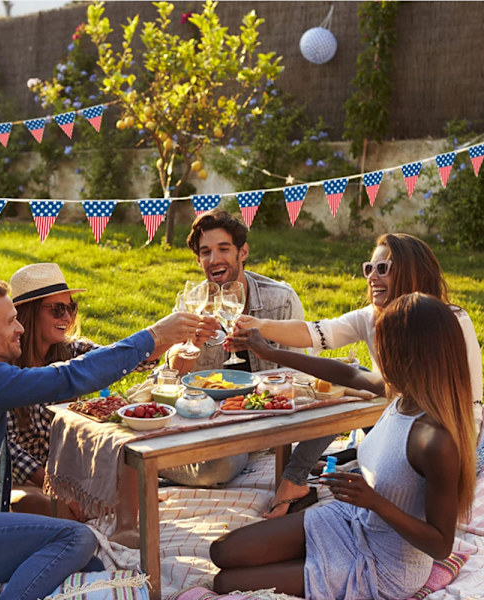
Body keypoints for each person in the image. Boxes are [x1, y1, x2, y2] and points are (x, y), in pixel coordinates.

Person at [0, 278, 201, 600]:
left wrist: (162, 344)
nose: (19, 328)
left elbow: (95, 363)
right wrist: (154, 335)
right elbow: (67, 378)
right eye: (10, 321)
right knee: (77, 539)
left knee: (90, 567)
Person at [211, 293, 476, 599]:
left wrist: (374, 501)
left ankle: (313, 569)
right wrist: (269, 351)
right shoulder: (401, 394)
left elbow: (441, 545)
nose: (377, 353)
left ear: (412, 356)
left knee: (225, 584)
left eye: (385, 346)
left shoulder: (435, 439)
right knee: (222, 552)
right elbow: (347, 373)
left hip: (386, 565)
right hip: (350, 520)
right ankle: (310, 566)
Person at [235, 233, 483, 517]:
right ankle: (301, 476)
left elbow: (470, 409)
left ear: (412, 271)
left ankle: (306, 475)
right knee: (341, 383)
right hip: (398, 421)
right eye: (369, 268)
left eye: (383, 268)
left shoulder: (450, 323)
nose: (371, 277)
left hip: (450, 443)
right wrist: (261, 333)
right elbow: (321, 339)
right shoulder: (374, 316)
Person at [8, 262, 170, 545]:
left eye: (71, 308)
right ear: (28, 314)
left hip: (75, 470)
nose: (68, 317)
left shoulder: (73, 350)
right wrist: (56, 488)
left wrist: (170, 337)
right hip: (31, 481)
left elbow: (127, 359)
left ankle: (125, 525)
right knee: (26, 504)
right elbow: (9, 451)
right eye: (57, 309)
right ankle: (101, 517)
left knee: (124, 433)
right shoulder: (4, 369)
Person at [162, 209, 304, 487]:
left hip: (263, 420)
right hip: (205, 421)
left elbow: (300, 375)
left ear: (243, 252)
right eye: (205, 252)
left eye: (223, 249)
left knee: (223, 465)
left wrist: (265, 351)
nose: (214, 260)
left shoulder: (281, 300)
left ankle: (157, 467)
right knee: (219, 462)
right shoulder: (191, 304)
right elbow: (172, 375)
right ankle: (153, 463)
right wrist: (192, 345)